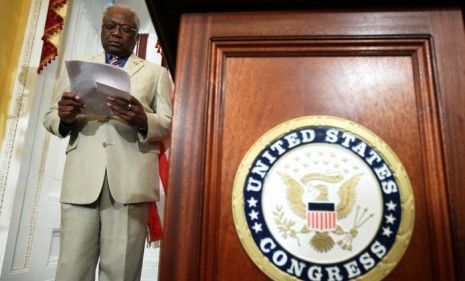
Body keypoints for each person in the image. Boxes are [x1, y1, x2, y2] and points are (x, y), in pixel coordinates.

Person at [43, 4, 172, 281]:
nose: (117, 33)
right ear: (102, 30)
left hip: (131, 182)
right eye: (111, 26)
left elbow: (169, 123)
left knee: (121, 272)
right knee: (72, 270)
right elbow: (50, 116)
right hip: (81, 180)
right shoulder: (77, 68)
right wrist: (65, 118)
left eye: (126, 30)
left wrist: (142, 119)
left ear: (136, 37)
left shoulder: (156, 73)